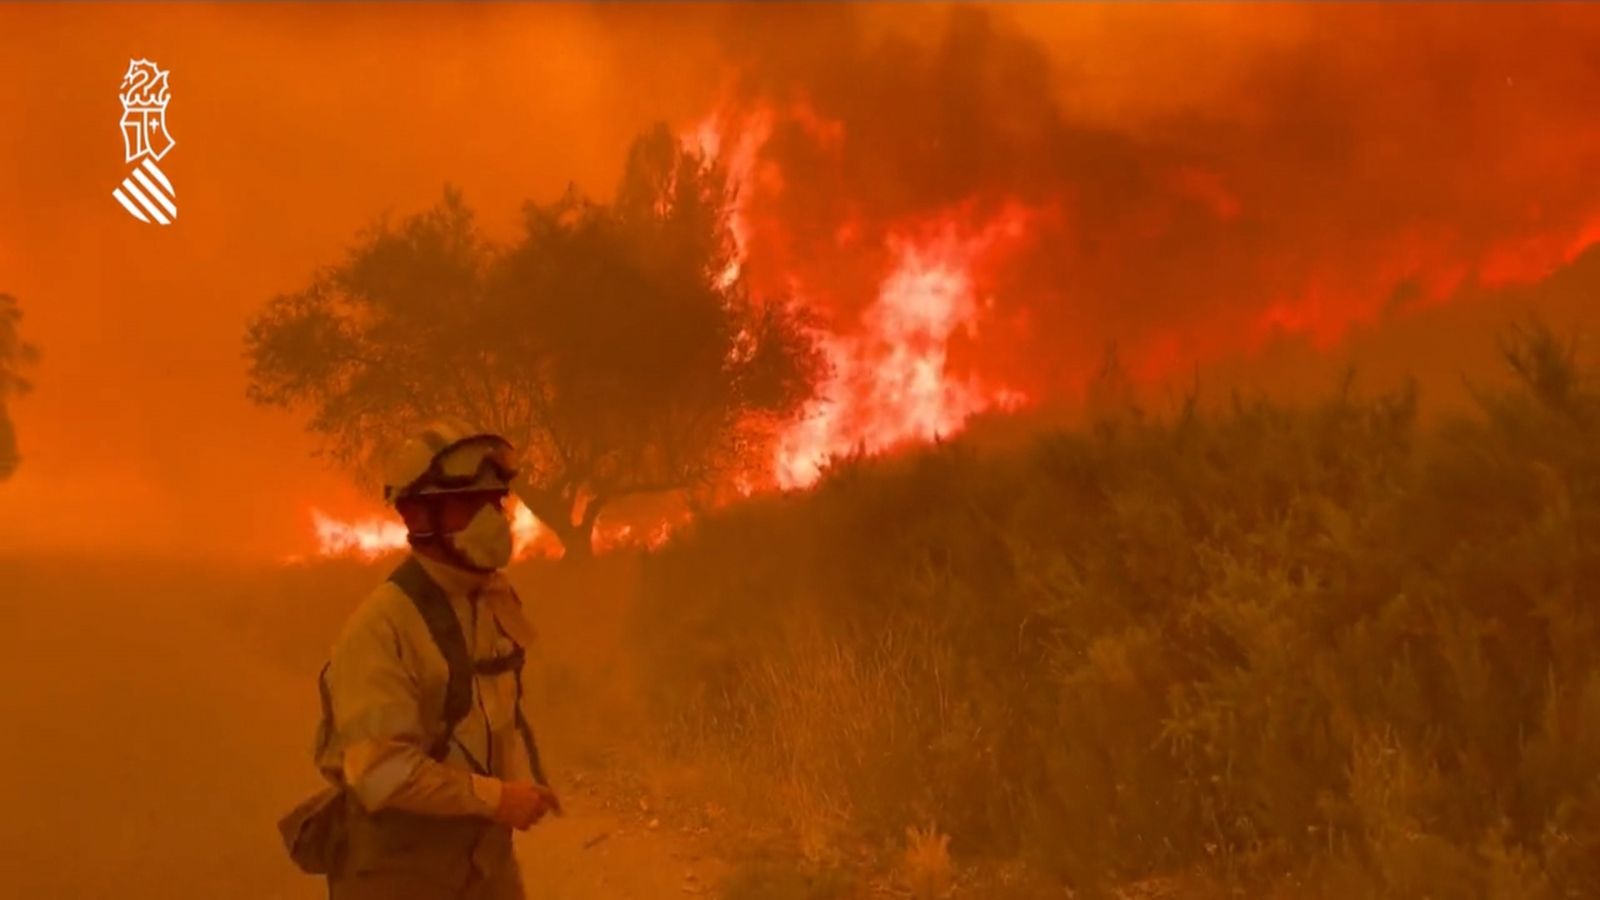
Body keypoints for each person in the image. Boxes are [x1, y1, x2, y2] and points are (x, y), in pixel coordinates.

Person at [302, 419, 560, 899]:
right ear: (418, 518)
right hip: (399, 870)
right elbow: (383, 774)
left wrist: (520, 784)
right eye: (468, 504)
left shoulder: (491, 601)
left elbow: (491, 716)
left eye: (494, 502)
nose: (493, 519)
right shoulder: (381, 627)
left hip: (485, 863)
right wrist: (498, 798)